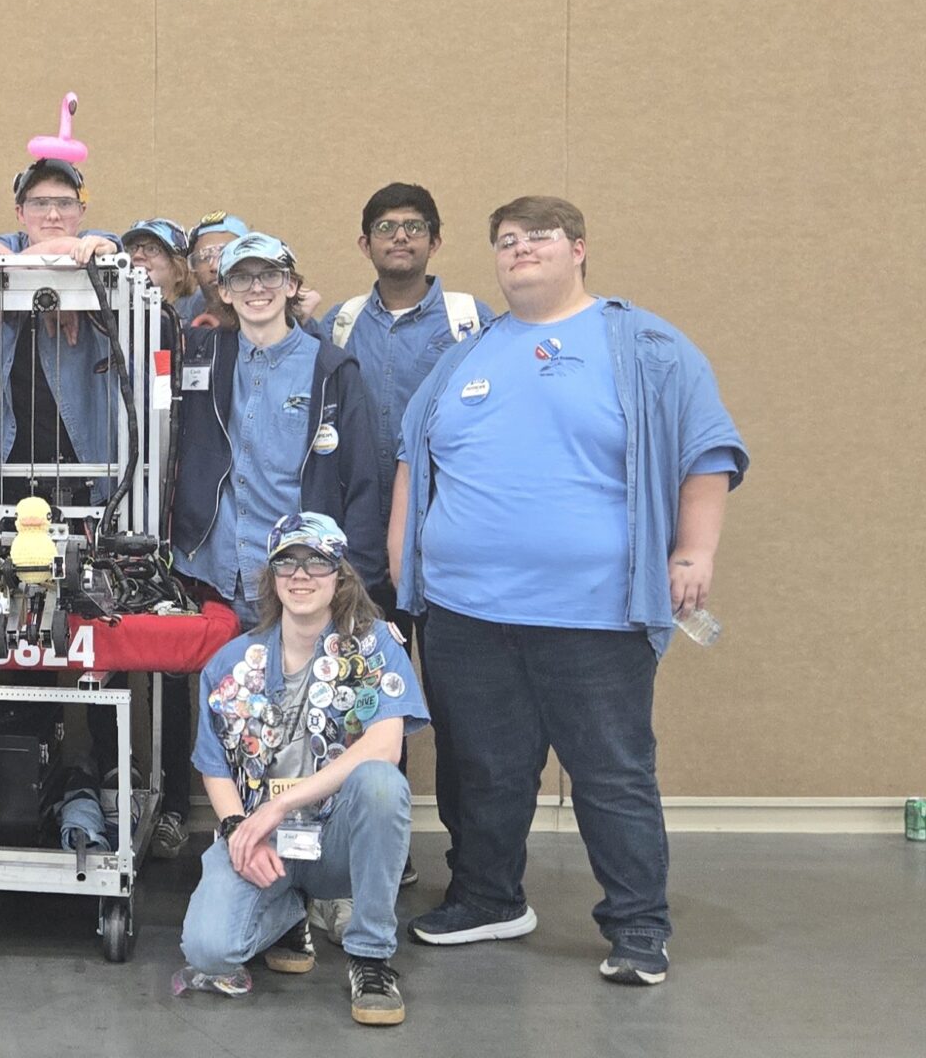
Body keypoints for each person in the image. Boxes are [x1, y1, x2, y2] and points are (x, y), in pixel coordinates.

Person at [390, 196, 747, 987]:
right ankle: (487, 899)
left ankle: (638, 926)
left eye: (540, 237)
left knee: (611, 773)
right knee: (482, 770)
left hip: (595, 613)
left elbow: (706, 451)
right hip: (464, 612)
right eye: (507, 240)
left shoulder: (646, 346)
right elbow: (414, 462)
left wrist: (694, 552)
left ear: (579, 248)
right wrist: (403, 568)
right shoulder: (464, 357)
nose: (520, 250)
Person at [173, 513, 424, 1028]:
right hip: (266, 843)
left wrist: (280, 805)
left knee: (382, 785)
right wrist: (238, 829)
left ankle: (371, 958)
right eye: (287, 562)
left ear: (340, 575)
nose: (301, 574)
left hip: (336, 841)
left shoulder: (376, 647)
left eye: (317, 561)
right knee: (208, 951)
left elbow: (385, 747)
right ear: (271, 576)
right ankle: (288, 912)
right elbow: (214, 766)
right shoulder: (230, 664)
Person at [322, 182, 493, 880]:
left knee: (460, 712)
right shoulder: (337, 325)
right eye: (387, 226)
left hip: (451, 547)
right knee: (364, 706)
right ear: (364, 242)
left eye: (415, 226)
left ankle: (475, 868)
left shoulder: (472, 322)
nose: (401, 237)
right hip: (362, 551)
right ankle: (378, 852)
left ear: (435, 240)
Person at [172, 234, 385, 624]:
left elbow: (363, 485)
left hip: (300, 580)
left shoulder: (333, 371)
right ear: (224, 291)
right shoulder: (199, 354)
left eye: (269, 275)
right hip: (211, 581)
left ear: (291, 285)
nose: (256, 288)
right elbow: (133, 325)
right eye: (241, 278)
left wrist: (357, 588)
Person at [0, 159, 124, 508]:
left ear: (82, 210)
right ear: (20, 212)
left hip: (87, 465)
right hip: (9, 465)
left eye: (65, 203)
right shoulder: (7, 244)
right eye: (40, 203)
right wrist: (50, 285)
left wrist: (18, 272)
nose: (52, 215)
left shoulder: (98, 246)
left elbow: (104, 249)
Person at [121, 218, 197, 306]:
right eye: (132, 249)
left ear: (179, 271)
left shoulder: (196, 311)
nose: (137, 255)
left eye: (152, 249)